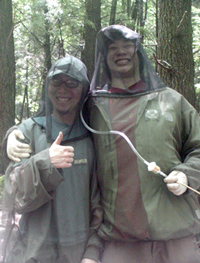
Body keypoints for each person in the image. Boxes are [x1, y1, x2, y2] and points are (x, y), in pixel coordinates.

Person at [4, 25, 200, 263]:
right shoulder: (93, 106)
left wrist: (186, 174)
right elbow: (57, 116)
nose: (121, 52)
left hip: (176, 236)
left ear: (138, 51)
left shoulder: (171, 100)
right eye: (113, 48)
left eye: (127, 46)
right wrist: (13, 134)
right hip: (120, 240)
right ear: (105, 59)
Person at [1, 56, 102, 263]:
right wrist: (45, 162)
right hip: (32, 251)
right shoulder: (29, 131)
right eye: (56, 82)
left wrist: (92, 252)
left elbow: (100, 202)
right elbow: (15, 193)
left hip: (77, 252)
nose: (62, 89)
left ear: (83, 89)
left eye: (72, 83)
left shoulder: (94, 136)